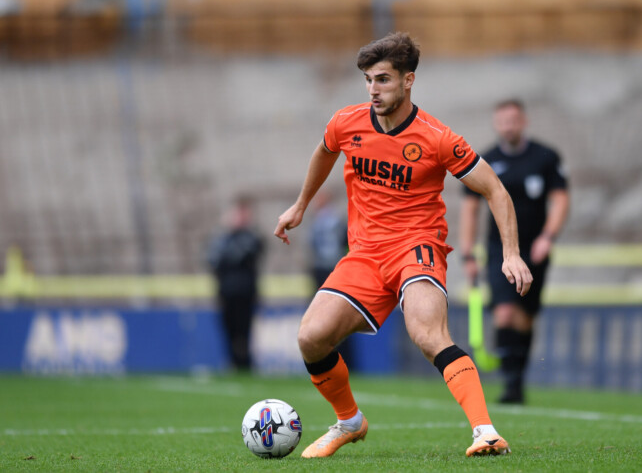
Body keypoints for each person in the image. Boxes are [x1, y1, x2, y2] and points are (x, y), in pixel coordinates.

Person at [274, 32, 532, 458]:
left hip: (417, 247)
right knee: (311, 338)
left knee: (427, 334)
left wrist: (511, 253)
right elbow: (325, 151)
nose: (373, 90)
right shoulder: (346, 122)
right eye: (368, 80)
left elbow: (495, 190)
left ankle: (485, 431)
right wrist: (300, 205)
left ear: (408, 80)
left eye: (383, 80)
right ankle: (349, 421)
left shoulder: (437, 137)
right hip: (364, 254)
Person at [460, 99, 570, 404]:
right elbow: (470, 209)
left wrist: (548, 236)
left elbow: (561, 200)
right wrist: (468, 253)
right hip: (499, 249)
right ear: (496, 124)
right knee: (505, 312)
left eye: (513, 120)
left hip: (535, 249)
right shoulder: (485, 161)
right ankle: (509, 383)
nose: (508, 127)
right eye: (503, 121)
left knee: (524, 317)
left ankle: (518, 382)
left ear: (524, 122)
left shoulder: (545, 157)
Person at [207, 194, 265, 371]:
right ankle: (232, 362)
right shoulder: (223, 237)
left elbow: (238, 256)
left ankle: (245, 363)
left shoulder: (252, 237)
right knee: (228, 329)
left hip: (245, 292)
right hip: (226, 291)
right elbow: (213, 260)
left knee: (244, 331)